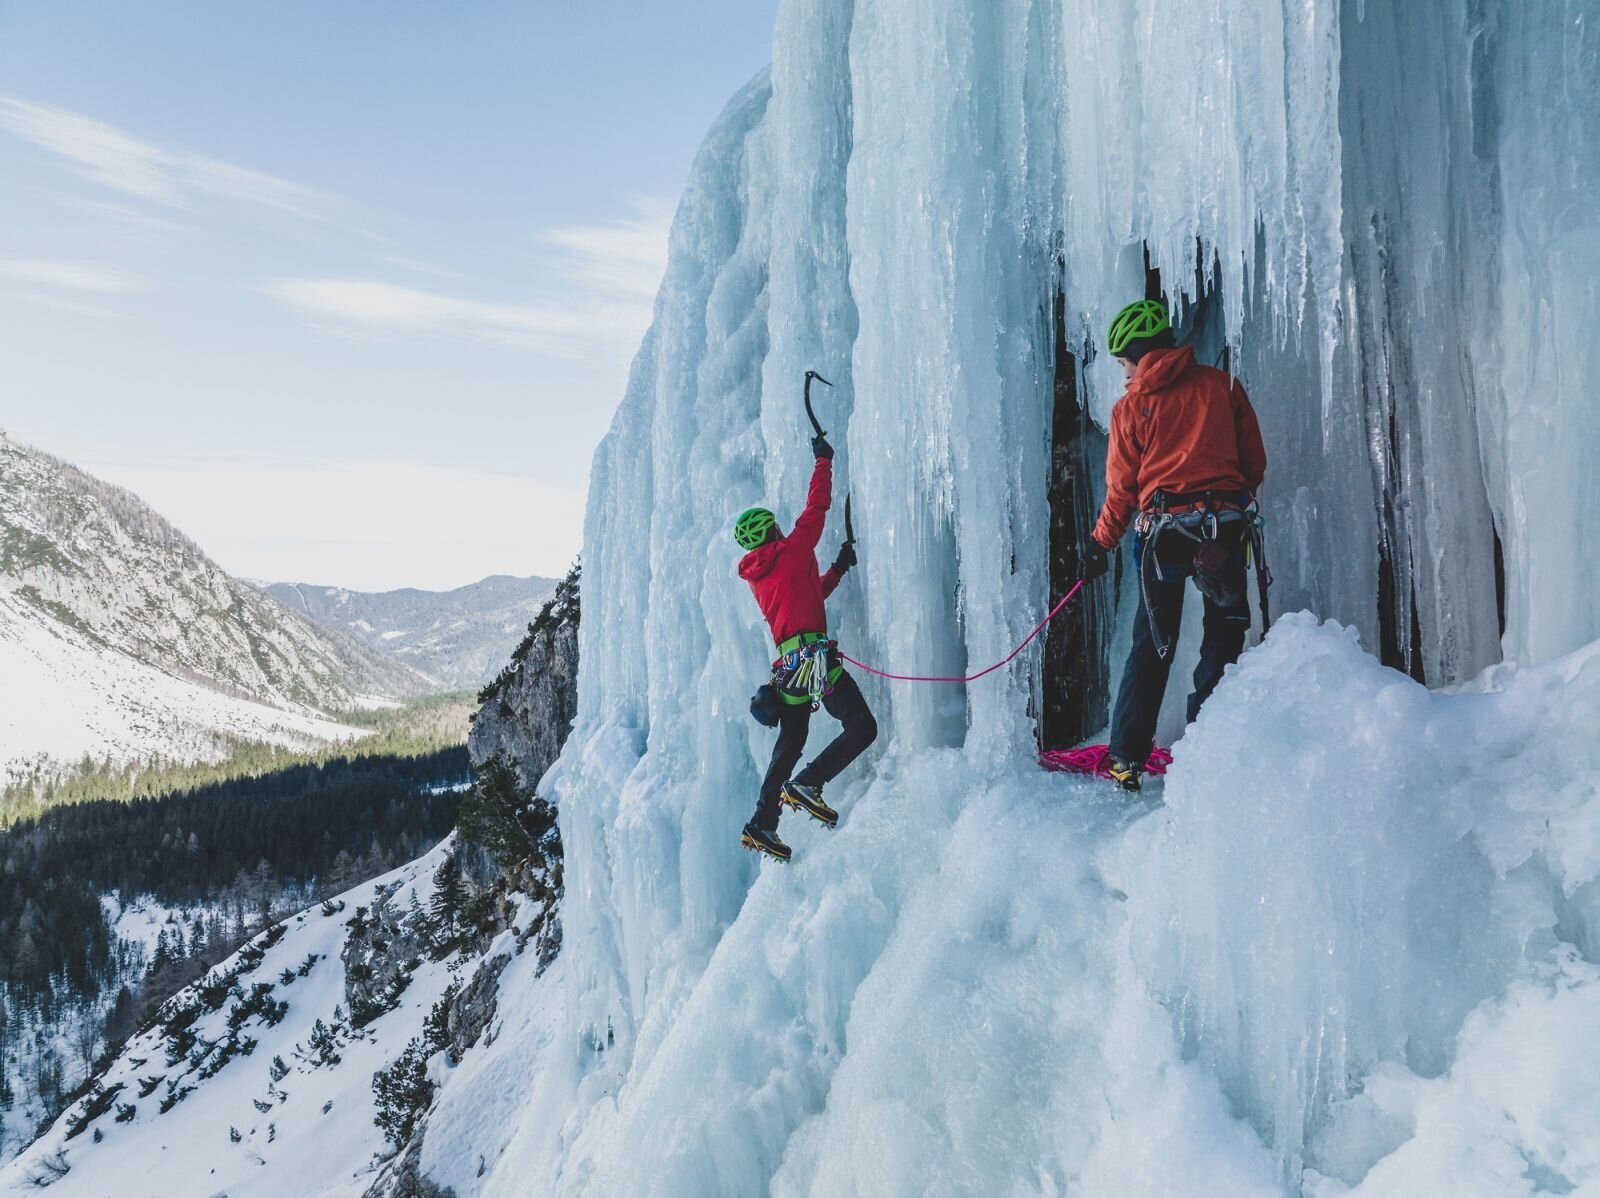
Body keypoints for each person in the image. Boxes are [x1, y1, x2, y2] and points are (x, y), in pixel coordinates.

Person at [1083, 299, 1267, 791]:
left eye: (1124, 363)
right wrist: (1230, 498)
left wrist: (1100, 544)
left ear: (1138, 355)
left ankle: (1126, 756)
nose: (1124, 374)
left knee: (1152, 644)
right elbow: (1254, 463)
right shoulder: (1224, 386)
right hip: (1223, 530)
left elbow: (1122, 490)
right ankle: (1210, 741)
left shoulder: (1130, 408)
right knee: (1223, 634)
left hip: (1163, 534)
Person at [732, 431, 877, 862]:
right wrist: (824, 460)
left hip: (787, 669)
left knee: (790, 742)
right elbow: (816, 509)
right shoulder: (791, 551)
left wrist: (837, 569)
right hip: (813, 661)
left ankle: (762, 823)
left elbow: (808, 596)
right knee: (862, 727)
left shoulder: (761, 577)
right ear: (773, 531)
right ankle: (810, 782)